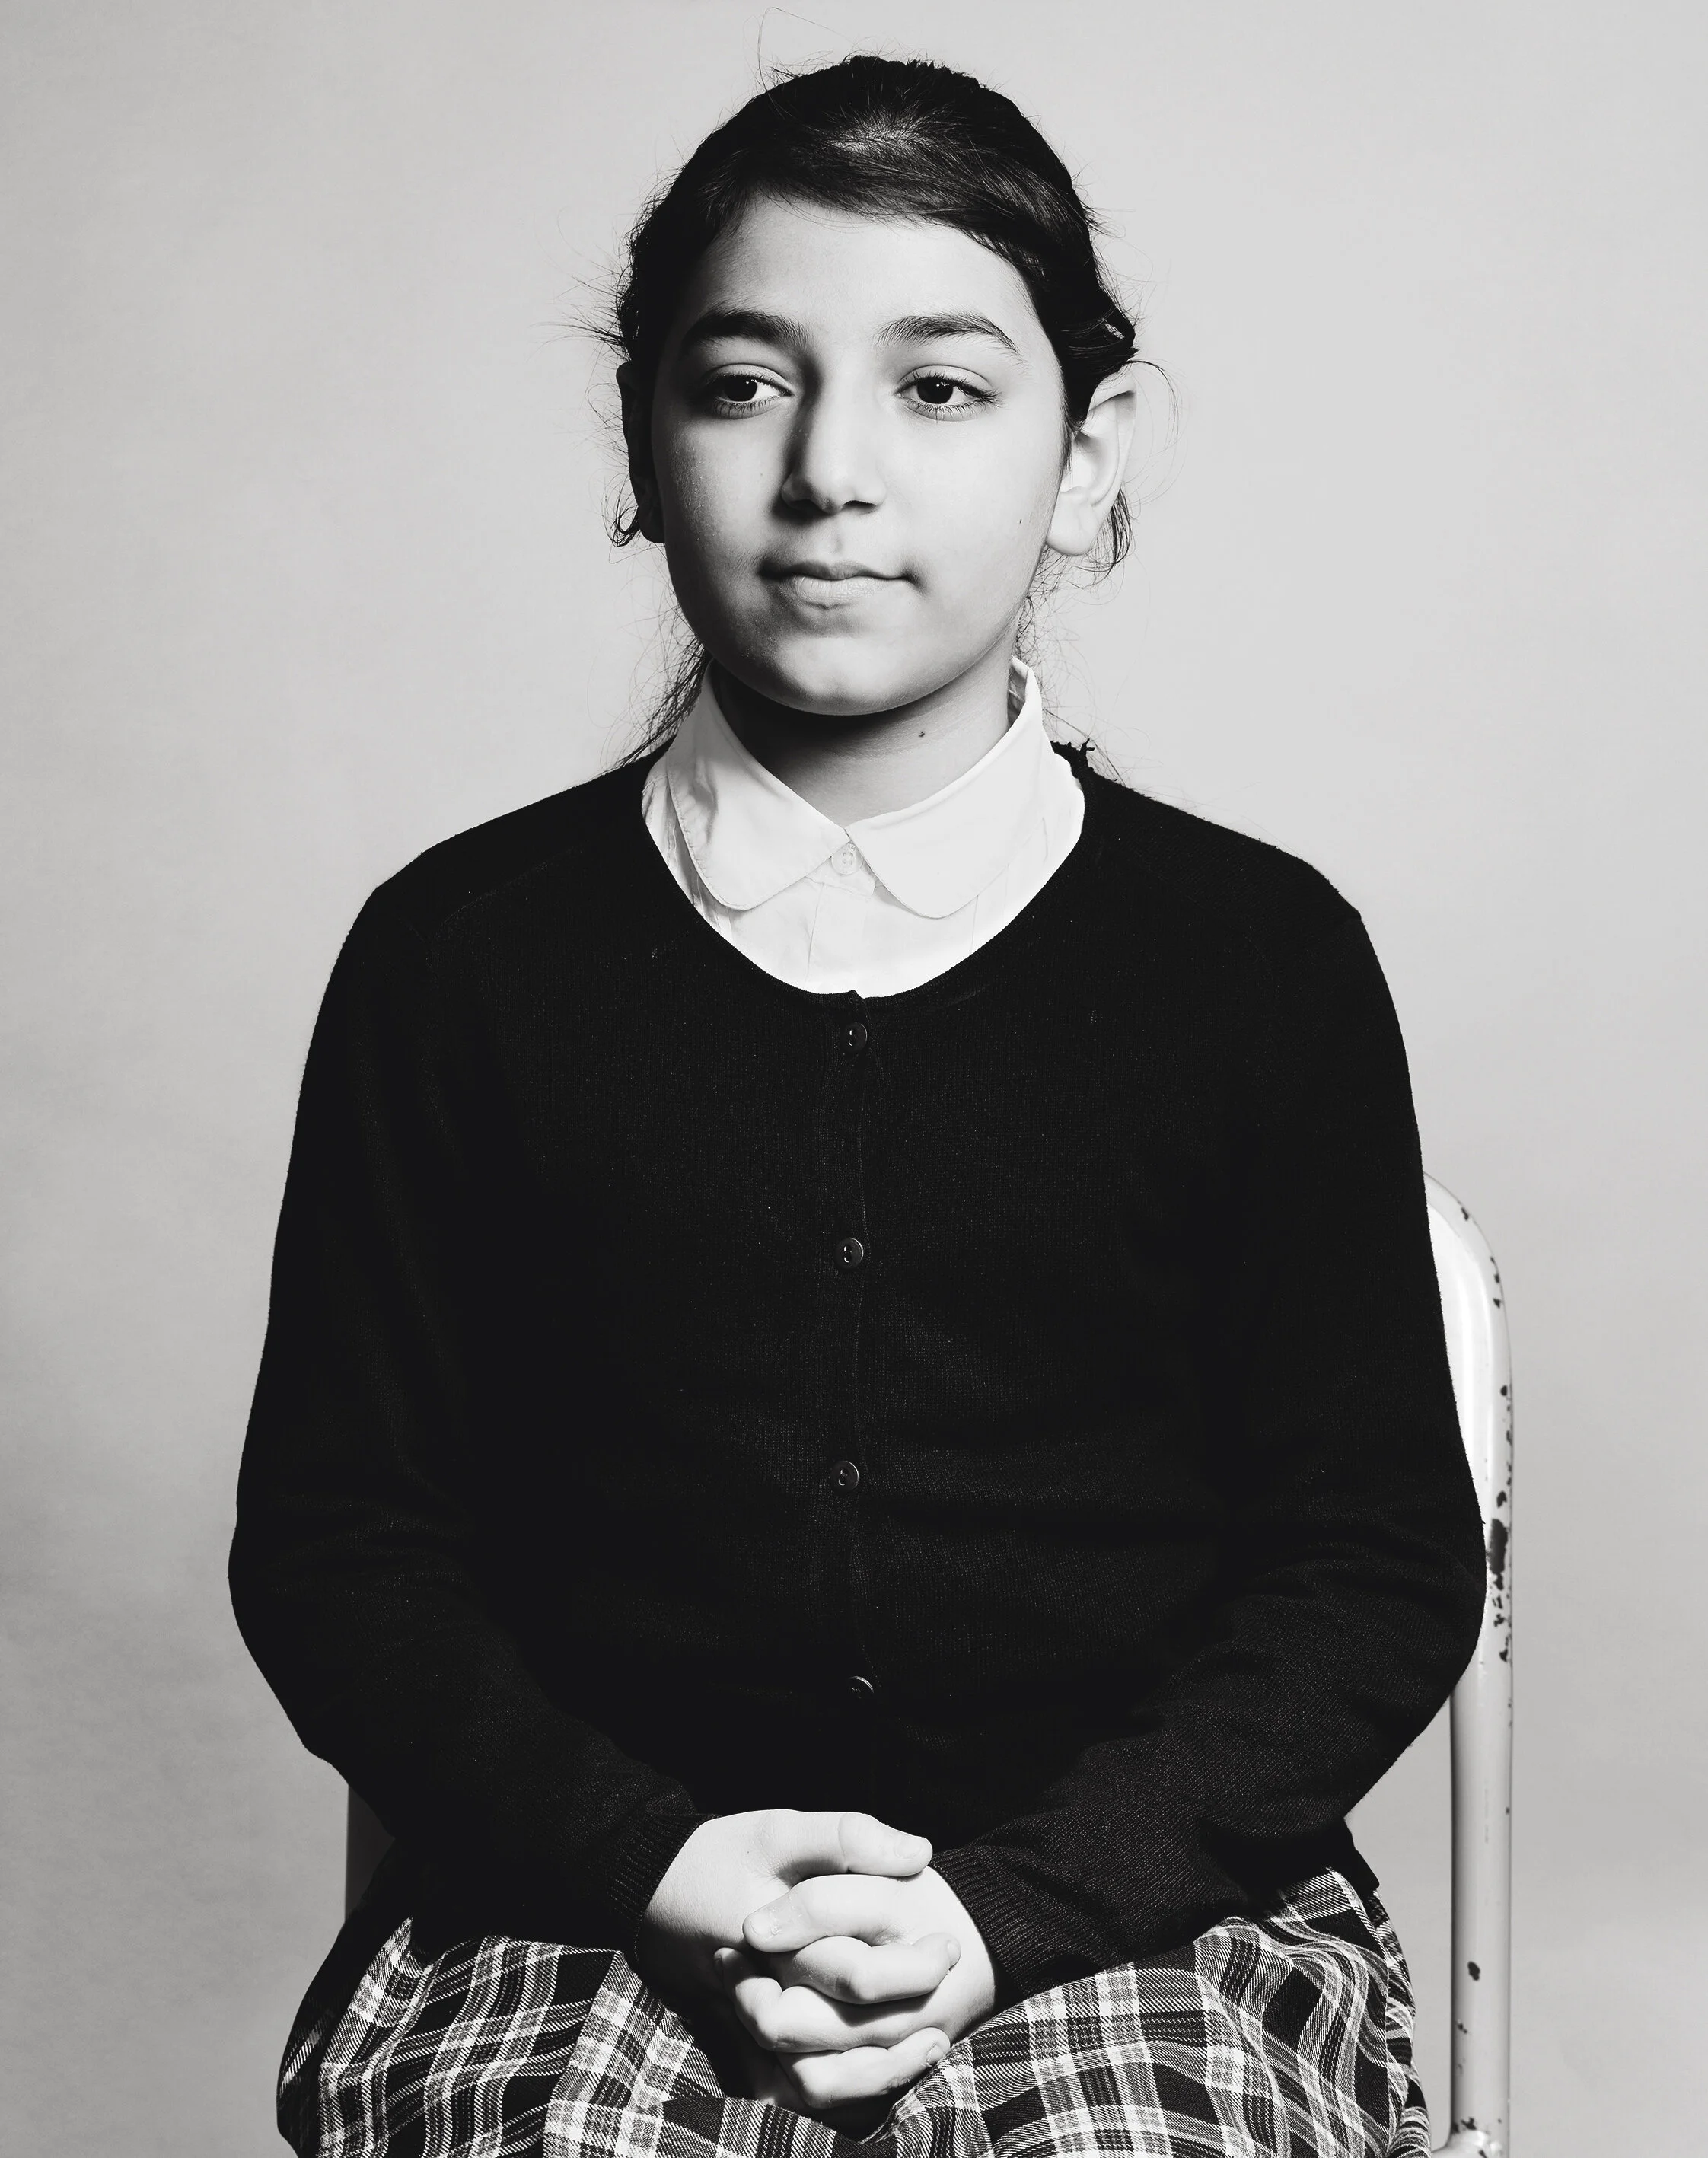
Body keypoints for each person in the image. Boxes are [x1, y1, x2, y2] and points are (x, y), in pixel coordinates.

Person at [231, 53, 1487, 2158]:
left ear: (1088, 455)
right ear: (636, 442)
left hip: (1134, 1909)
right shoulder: (460, 958)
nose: (828, 472)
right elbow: (347, 1550)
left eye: (938, 388)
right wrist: (664, 1859)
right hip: (586, 1905)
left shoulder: (1249, 959)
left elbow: (1367, 1565)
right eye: (739, 384)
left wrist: (1002, 1915)